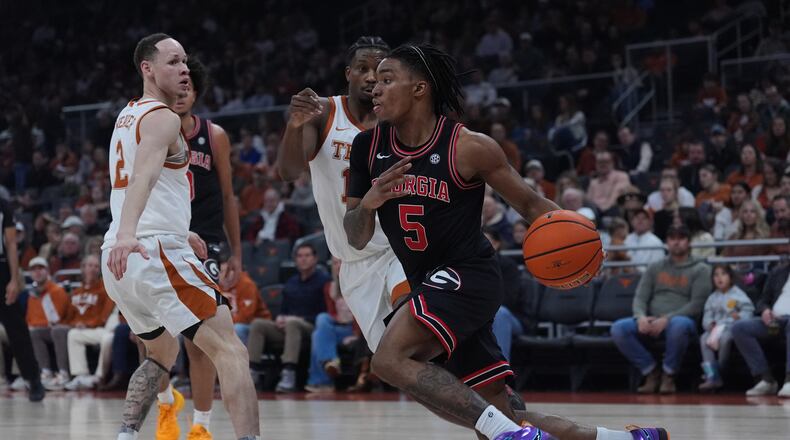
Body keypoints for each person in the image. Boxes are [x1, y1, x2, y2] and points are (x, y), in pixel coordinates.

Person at [344, 43, 666, 440]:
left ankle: (506, 435)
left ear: (419, 88)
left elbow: (532, 205)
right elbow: (355, 237)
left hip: (468, 274)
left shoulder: (469, 147)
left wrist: (584, 249)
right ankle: (627, 439)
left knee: (389, 359)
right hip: (427, 283)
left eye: (388, 78)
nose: (374, 86)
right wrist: (371, 203)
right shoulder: (366, 148)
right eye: (374, 79)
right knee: (504, 412)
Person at [100, 33, 259, 440]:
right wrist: (130, 234)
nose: (184, 69)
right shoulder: (165, 117)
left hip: (123, 260)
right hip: (148, 249)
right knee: (232, 351)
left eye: (185, 61)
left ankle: (126, 435)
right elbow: (144, 176)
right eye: (173, 62)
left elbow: (137, 185)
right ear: (147, 69)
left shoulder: (126, 116)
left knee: (160, 352)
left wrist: (175, 230)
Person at [276, 36, 412, 356]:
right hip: (352, 258)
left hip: (400, 248)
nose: (370, 77)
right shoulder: (324, 112)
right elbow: (288, 172)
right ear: (347, 73)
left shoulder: (401, 121)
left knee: (415, 323)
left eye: (379, 71)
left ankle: (488, 397)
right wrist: (295, 126)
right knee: (397, 362)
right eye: (362, 69)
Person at [163, 55, 244, 440]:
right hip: (162, 239)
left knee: (200, 341)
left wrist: (237, 253)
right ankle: (167, 402)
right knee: (151, 337)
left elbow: (229, 197)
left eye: (188, 87)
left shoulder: (215, 136)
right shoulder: (151, 132)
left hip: (205, 245)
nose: (181, 94)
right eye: (177, 86)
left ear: (196, 93)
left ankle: (201, 425)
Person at [611, 225, 711, 395]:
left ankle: (669, 374)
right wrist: (641, 317)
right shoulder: (655, 267)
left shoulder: (701, 269)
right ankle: (651, 371)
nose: (676, 242)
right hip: (651, 319)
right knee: (619, 328)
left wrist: (667, 318)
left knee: (679, 325)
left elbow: (697, 304)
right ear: (667, 243)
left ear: (688, 243)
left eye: (681, 238)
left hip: (682, 321)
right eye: (672, 238)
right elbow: (640, 297)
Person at [246, 243, 329, 392]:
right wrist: (280, 318)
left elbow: (325, 313)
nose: (303, 259)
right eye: (300, 256)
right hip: (290, 327)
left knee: (293, 323)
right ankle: (253, 372)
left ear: (315, 259)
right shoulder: (291, 283)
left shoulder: (323, 281)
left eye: (307, 256)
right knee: (258, 324)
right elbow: (284, 310)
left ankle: (288, 374)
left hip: (312, 327)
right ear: (295, 260)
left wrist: (297, 319)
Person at [0, 197, 45, 401]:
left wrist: (14, 278)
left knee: (17, 329)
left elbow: (10, 243)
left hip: (2, 269)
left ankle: (33, 379)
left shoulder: (3, 204)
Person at [731, 262, 790, 397]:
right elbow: (763, 300)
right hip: (775, 321)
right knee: (740, 328)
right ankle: (766, 379)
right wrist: (765, 311)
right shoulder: (778, 272)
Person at [698, 264, 754, 391]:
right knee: (703, 339)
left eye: (723, 274)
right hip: (714, 328)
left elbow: (748, 310)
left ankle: (721, 369)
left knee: (725, 339)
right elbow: (707, 315)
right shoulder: (712, 298)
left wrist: (739, 317)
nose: (719, 278)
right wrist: (709, 324)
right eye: (716, 275)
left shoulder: (738, 294)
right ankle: (711, 376)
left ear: (730, 277)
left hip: (730, 327)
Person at [26, 257, 71, 390]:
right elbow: (29, 317)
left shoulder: (57, 290)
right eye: (33, 270)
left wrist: (34, 324)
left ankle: (64, 373)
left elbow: (56, 318)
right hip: (43, 329)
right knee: (31, 333)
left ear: (47, 271)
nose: (37, 272)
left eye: (40, 269)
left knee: (53, 330)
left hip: (60, 328)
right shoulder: (32, 294)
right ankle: (45, 373)